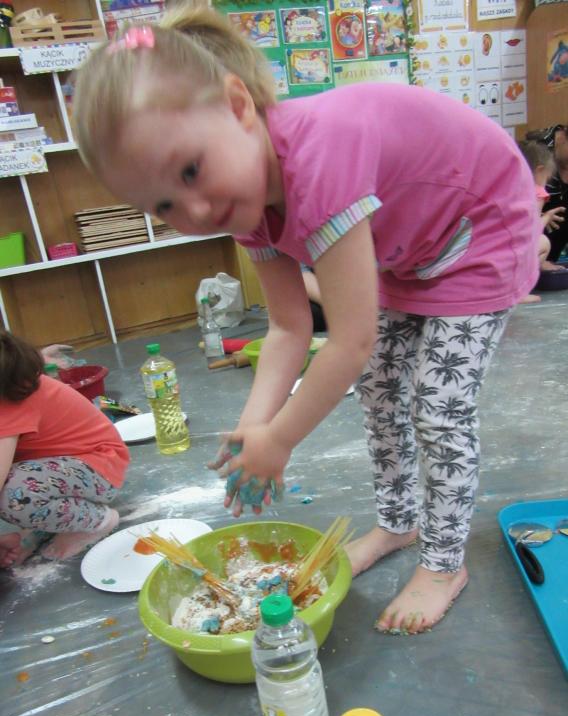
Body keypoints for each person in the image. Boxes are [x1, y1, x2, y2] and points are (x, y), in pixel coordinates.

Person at [71, 7, 539, 634]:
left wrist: (281, 439)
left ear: (238, 106)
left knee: (436, 407)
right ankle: (399, 525)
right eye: (164, 205)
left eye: (190, 171)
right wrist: (255, 426)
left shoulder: (319, 160)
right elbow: (289, 328)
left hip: (481, 229)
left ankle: (443, 564)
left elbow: (350, 340)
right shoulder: (241, 198)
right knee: (379, 389)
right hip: (411, 245)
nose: (196, 210)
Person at [0, 332, 129, 566]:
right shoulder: (9, 381)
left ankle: (98, 521)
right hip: (60, 468)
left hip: (99, 468)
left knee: (15, 496)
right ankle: (43, 526)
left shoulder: (9, 399)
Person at [517, 139, 565, 302]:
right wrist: (546, 217)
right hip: (518, 248)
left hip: (499, 246)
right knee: (544, 242)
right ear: (540, 170)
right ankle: (519, 290)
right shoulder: (538, 192)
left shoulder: (513, 187)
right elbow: (532, 229)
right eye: (547, 178)